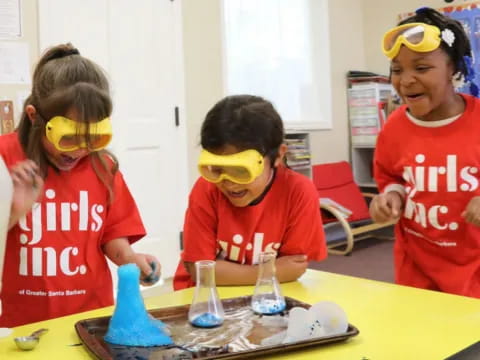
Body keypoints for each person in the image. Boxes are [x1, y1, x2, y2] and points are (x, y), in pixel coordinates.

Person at [0, 43, 161, 327]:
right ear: (34, 116)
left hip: (89, 319)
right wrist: (14, 211)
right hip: (20, 325)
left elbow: (113, 236)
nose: (79, 150)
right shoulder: (5, 158)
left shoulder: (103, 168)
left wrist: (132, 261)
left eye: (93, 138)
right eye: (69, 138)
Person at [370, 7, 480, 297]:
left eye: (421, 68)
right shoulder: (394, 127)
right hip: (416, 274)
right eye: (397, 69)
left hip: (474, 275)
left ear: (454, 68)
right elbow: (391, 175)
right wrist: (390, 197)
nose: (406, 80)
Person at [173, 95, 327, 290]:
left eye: (240, 171)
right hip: (205, 297)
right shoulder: (206, 188)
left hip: (267, 296)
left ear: (278, 155)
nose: (228, 183)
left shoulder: (298, 191)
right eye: (217, 168)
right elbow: (199, 271)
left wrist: (226, 272)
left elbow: (294, 267)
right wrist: (265, 272)